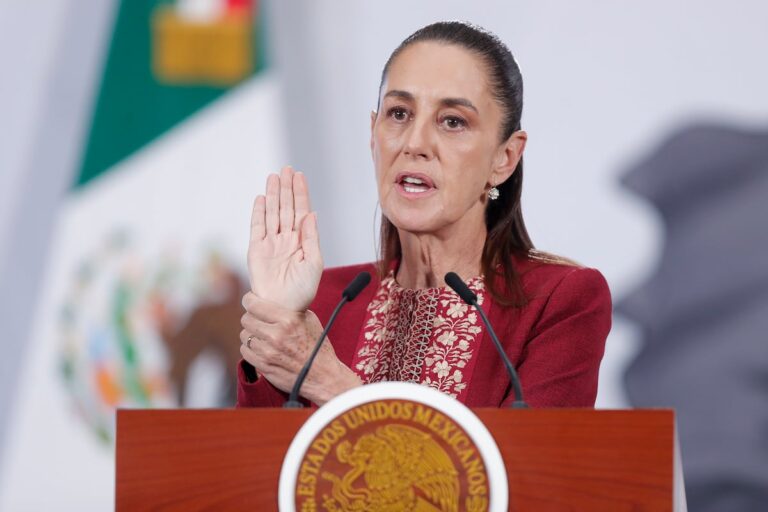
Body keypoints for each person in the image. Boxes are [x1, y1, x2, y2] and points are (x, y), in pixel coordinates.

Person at [236, 21, 611, 408]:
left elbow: (526, 450)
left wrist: (330, 383)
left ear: (505, 157)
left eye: (453, 121)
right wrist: (275, 317)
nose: (415, 143)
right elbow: (256, 448)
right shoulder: (324, 303)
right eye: (399, 113)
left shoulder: (559, 300)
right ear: (373, 135)